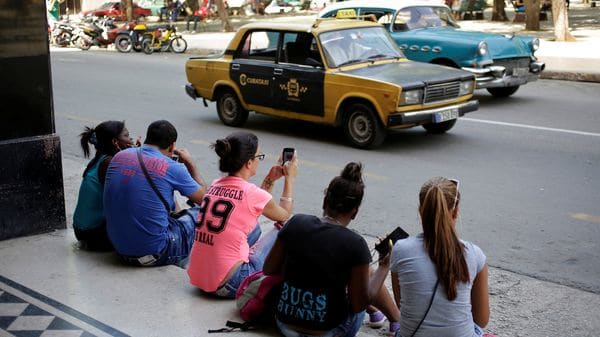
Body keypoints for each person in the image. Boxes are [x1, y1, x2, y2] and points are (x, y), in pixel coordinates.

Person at [263, 162, 400, 337]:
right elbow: (359, 305)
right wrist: (384, 266)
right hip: (330, 332)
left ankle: (380, 314)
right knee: (369, 274)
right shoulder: (355, 243)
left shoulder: (296, 223)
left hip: (285, 324)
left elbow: (268, 269)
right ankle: (396, 320)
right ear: (355, 212)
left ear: (325, 201)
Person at [187, 131, 297, 298]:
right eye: (259, 157)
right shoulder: (251, 193)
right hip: (230, 283)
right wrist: (290, 179)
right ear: (248, 163)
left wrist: (270, 179)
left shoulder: (216, 185)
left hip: (199, 278)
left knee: (254, 228)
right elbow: (284, 214)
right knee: (285, 228)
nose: (259, 162)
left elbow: (256, 207)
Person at [390, 177, 490, 337]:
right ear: (456, 211)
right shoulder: (474, 254)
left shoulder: (400, 249)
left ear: (420, 211)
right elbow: (481, 319)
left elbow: (404, 307)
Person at [103, 120, 207, 267]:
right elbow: (207, 200)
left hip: (119, 249)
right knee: (201, 213)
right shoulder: (173, 168)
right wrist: (191, 163)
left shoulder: (120, 156)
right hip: (153, 253)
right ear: (172, 146)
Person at [73, 121, 137, 251]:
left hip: (83, 230)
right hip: (94, 234)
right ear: (115, 142)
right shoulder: (109, 163)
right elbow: (125, 198)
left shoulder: (102, 158)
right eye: (126, 135)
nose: (131, 139)